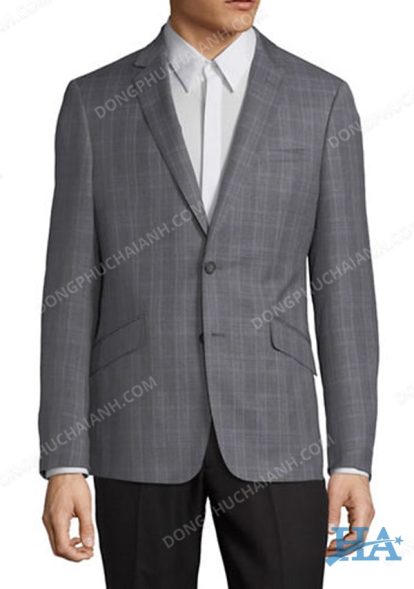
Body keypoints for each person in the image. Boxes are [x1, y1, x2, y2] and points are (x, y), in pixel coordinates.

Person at [39, 0, 378, 587]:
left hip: (277, 427)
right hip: (138, 424)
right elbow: (70, 290)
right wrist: (65, 459)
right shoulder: (94, 102)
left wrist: (353, 457)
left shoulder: (321, 99)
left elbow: (345, 291)